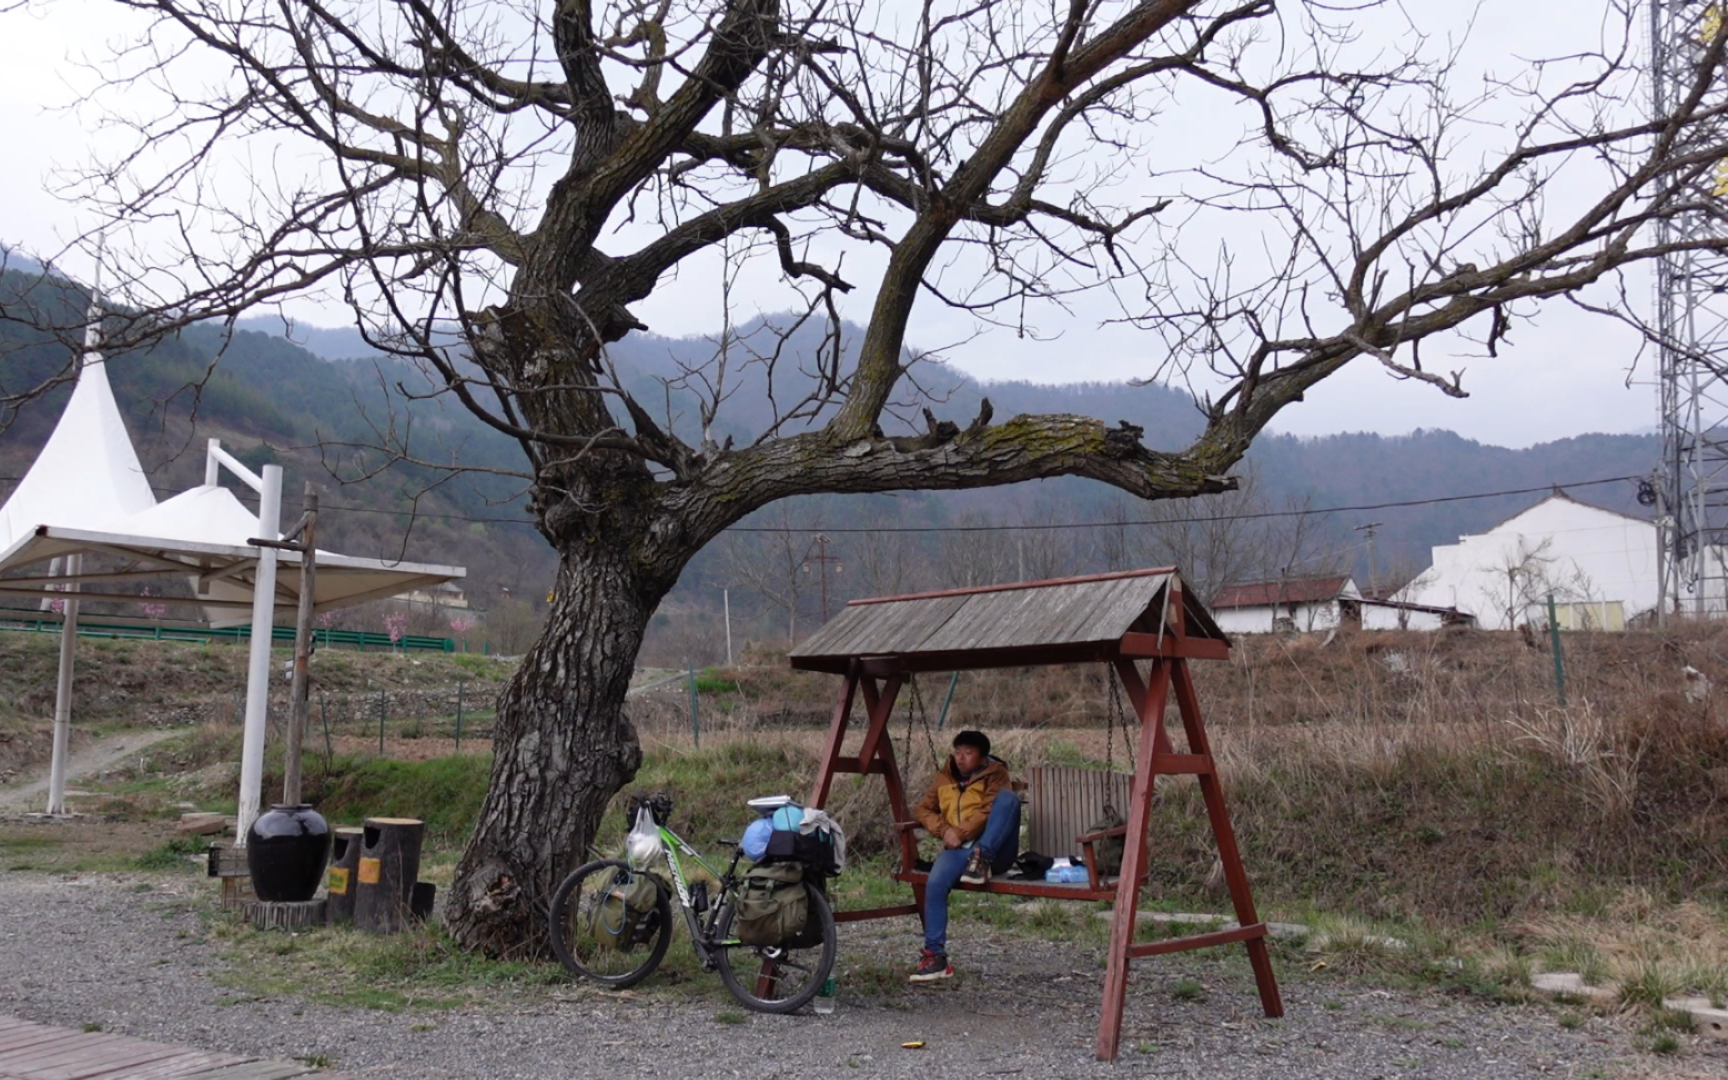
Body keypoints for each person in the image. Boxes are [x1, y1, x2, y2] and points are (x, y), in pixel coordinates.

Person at [908, 729, 1020, 982]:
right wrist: (945, 830)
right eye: (958, 752)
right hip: (961, 851)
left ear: (983, 758)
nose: (961, 758)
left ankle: (982, 858)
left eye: (968, 753)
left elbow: (990, 810)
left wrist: (960, 832)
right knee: (935, 883)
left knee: (1008, 799)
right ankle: (935, 957)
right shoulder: (945, 776)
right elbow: (922, 808)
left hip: (996, 849)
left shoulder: (996, 774)